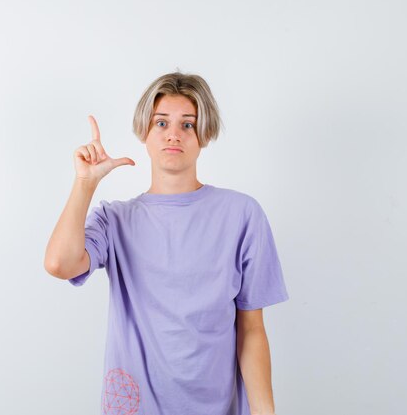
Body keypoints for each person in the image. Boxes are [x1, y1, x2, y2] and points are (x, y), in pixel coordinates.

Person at [44, 71, 289, 415]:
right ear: (144, 132)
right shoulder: (115, 220)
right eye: (161, 123)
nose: (174, 134)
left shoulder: (241, 215)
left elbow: (251, 331)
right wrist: (85, 183)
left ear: (204, 134)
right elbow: (59, 263)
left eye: (187, 125)